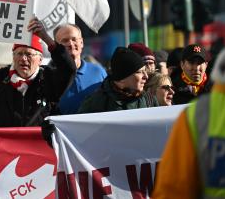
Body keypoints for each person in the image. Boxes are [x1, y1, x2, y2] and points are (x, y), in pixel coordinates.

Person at [152, 49, 225, 199]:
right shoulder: (196, 114)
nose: (196, 68)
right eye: (192, 62)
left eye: (200, 63)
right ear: (182, 65)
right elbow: (174, 186)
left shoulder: (195, 113)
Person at [78, 47, 159, 113]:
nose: (146, 76)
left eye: (145, 71)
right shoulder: (94, 103)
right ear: (121, 78)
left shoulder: (149, 100)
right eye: (139, 72)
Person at [55, 24, 108, 114]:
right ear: (56, 46)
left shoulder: (99, 72)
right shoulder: (50, 77)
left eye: (74, 39)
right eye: (65, 41)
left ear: (81, 43)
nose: (71, 44)